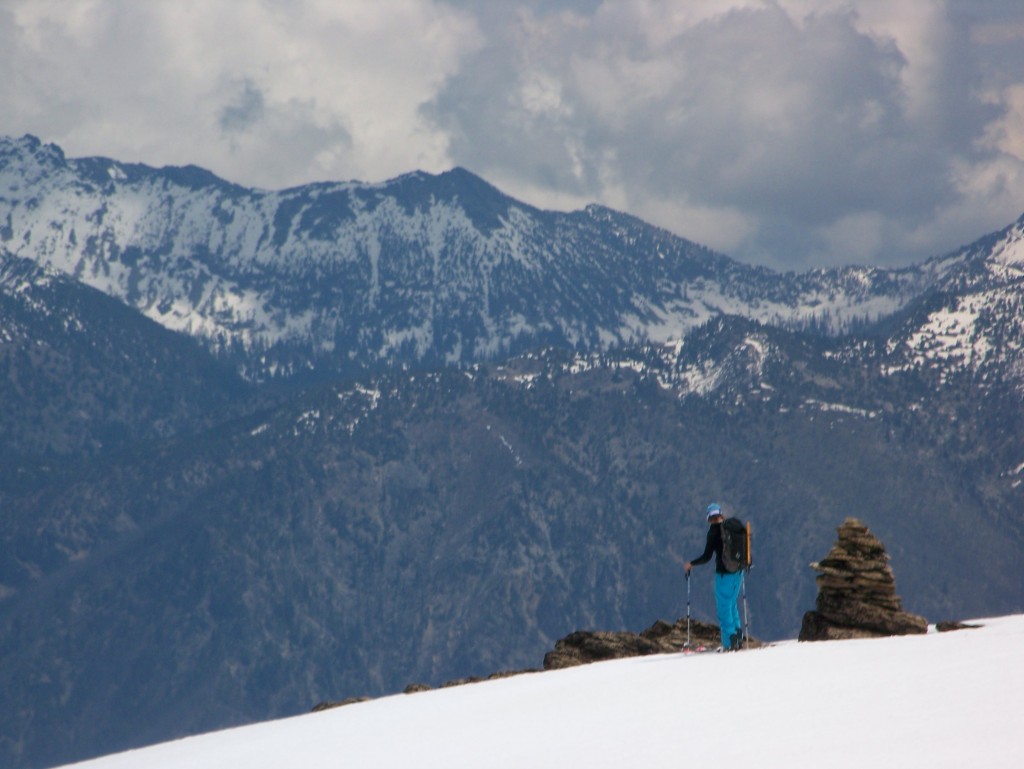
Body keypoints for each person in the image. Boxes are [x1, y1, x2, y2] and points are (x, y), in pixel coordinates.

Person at [684, 502, 744, 650]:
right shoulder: (731, 528)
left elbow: (706, 557)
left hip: (724, 575)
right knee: (732, 605)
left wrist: (691, 563)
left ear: (709, 518)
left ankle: (729, 643)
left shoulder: (713, 532)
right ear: (721, 514)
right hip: (739, 572)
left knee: (724, 609)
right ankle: (738, 637)